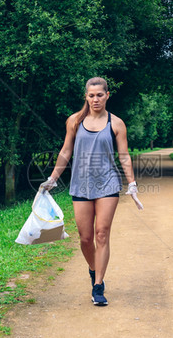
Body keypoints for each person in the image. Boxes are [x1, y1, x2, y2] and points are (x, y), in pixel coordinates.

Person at [40, 77, 143, 306]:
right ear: (86, 96)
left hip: (107, 184)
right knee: (85, 238)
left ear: (107, 95)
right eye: (91, 95)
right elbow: (66, 150)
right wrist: (52, 178)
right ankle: (93, 268)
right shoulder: (75, 121)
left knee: (102, 234)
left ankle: (98, 286)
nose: (95, 99)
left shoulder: (116, 124)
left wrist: (132, 184)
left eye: (99, 95)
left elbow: (124, 156)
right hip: (81, 184)